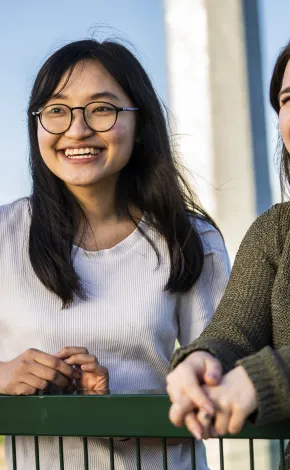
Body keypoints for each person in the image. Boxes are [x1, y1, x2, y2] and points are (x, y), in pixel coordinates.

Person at [0, 39, 230, 470]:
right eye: (56, 110)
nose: (77, 129)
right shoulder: (3, 234)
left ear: (140, 123)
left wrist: (110, 409)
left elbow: (223, 392)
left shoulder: (191, 239)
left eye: (102, 109)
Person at [167, 39, 290, 468]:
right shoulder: (276, 230)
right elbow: (234, 331)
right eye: (288, 99)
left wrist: (270, 379)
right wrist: (203, 361)